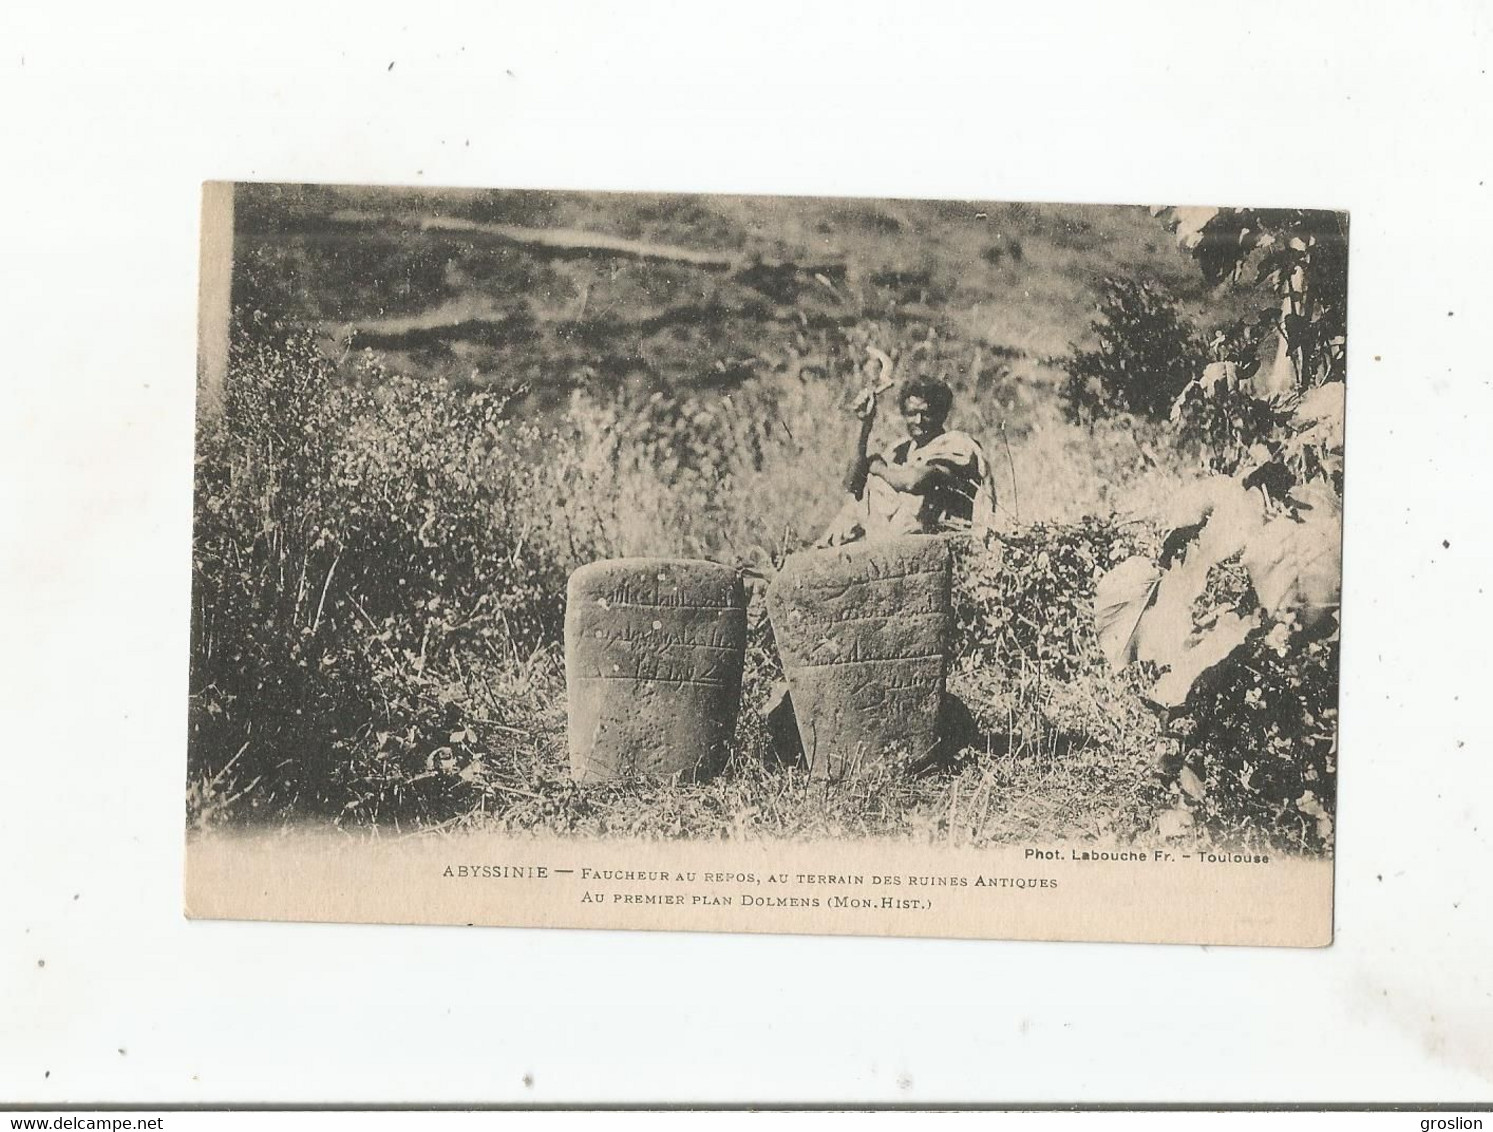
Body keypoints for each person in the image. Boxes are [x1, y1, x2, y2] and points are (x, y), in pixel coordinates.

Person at [818, 373, 997, 547]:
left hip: (943, 546)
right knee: (859, 499)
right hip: (897, 546)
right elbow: (853, 486)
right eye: (912, 413)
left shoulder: (956, 443)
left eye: (926, 413)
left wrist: (878, 467)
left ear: (941, 414)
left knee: (886, 480)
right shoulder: (901, 449)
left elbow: (914, 482)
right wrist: (864, 424)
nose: (918, 421)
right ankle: (820, 552)